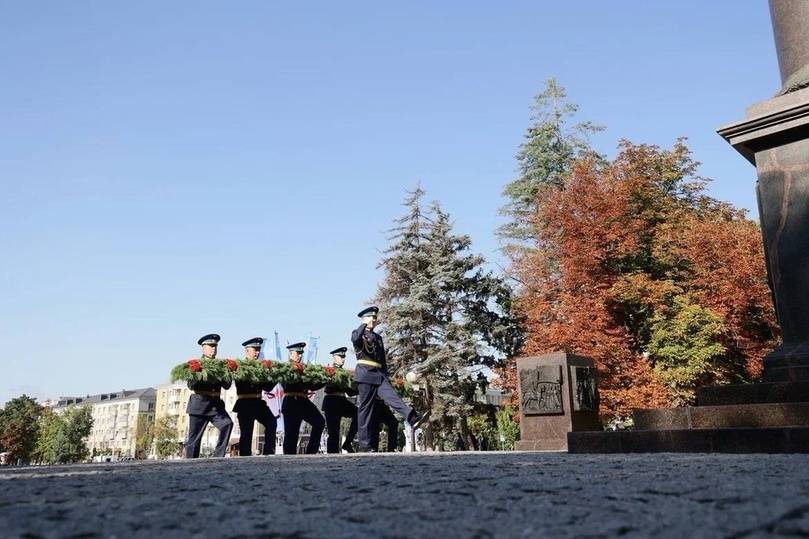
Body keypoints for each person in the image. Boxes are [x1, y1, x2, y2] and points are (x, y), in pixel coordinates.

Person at [351, 306, 425, 452]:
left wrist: (386, 377)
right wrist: (363, 324)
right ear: (364, 318)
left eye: (375, 317)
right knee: (365, 411)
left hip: (379, 374)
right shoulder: (358, 333)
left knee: (393, 397)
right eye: (371, 317)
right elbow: (355, 339)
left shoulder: (378, 338)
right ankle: (365, 446)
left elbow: (383, 360)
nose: (374, 319)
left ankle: (412, 417)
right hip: (365, 375)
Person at [185, 334, 234, 458]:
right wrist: (197, 372)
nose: (213, 349)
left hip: (215, 406)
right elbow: (191, 385)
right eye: (210, 346)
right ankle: (190, 463)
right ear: (203, 348)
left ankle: (218, 456)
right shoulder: (195, 364)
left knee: (227, 424)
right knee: (194, 439)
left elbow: (227, 386)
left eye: (215, 346)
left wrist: (228, 372)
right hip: (199, 405)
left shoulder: (220, 365)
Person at [233, 337, 278, 456]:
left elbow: (267, 387)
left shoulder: (260, 367)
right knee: (247, 434)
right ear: (247, 351)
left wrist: (275, 376)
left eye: (259, 350)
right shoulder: (240, 366)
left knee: (272, 422)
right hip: (245, 403)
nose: (257, 352)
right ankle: (245, 457)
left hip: (258, 402)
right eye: (255, 349)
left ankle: (269, 452)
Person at [281, 342, 326, 454]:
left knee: (319, 422)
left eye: (301, 353)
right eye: (298, 353)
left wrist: (325, 380)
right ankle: (288, 459)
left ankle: (311, 452)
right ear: (291, 354)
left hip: (303, 402)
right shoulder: (285, 368)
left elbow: (312, 386)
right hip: (291, 401)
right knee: (291, 434)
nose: (300, 356)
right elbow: (284, 383)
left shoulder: (305, 368)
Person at [321, 346, 358, 453]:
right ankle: (332, 455)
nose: (343, 359)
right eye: (341, 356)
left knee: (359, 413)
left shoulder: (344, 373)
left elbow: (350, 392)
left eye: (344, 357)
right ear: (334, 357)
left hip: (341, 401)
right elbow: (331, 386)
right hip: (332, 402)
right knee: (334, 433)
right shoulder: (330, 371)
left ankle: (347, 443)